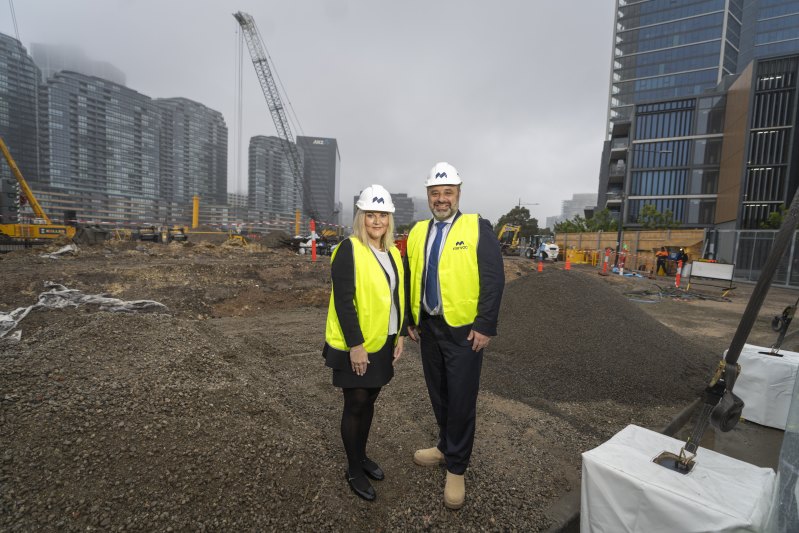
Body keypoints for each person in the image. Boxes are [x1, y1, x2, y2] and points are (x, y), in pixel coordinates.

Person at [405, 162, 505, 509]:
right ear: (428, 196)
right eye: (435, 193)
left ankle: (457, 468)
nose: (441, 198)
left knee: (461, 398)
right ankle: (445, 447)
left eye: (448, 192)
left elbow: (493, 279)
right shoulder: (418, 232)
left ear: (458, 194)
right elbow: (410, 276)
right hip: (429, 327)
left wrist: (485, 324)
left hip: (464, 331)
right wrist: (410, 319)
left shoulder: (476, 227)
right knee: (439, 393)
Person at [323, 184, 406, 502]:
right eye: (370, 214)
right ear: (361, 217)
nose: (376, 221)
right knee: (355, 405)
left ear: (389, 219)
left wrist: (397, 336)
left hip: (382, 341)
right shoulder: (349, 249)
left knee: (370, 400)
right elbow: (344, 301)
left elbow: (395, 298)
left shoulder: (393, 253)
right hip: (357, 344)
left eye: (382, 215)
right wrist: (356, 346)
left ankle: (361, 456)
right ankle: (353, 468)